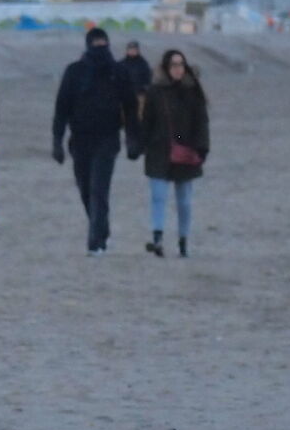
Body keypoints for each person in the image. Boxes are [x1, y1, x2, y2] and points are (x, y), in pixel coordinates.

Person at [52, 27, 139, 255]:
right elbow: (62, 108)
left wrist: (132, 139)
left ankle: (95, 242)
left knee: (99, 189)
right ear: (88, 45)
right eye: (96, 43)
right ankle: (102, 228)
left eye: (104, 43)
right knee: (85, 190)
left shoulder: (118, 72)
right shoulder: (74, 72)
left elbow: (130, 108)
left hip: (108, 139)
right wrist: (57, 141)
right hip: (79, 140)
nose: (100, 47)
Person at [138, 49, 208, 259]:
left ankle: (183, 240)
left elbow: (201, 122)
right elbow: (146, 122)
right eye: (174, 65)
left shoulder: (193, 91)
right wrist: (140, 144)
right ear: (166, 68)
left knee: (184, 201)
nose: (178, 69)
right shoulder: (155, 92)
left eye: (181, 64)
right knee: (158, 197)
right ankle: (158, 237)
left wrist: (202, 148)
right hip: (158, 151)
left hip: (186, 152)